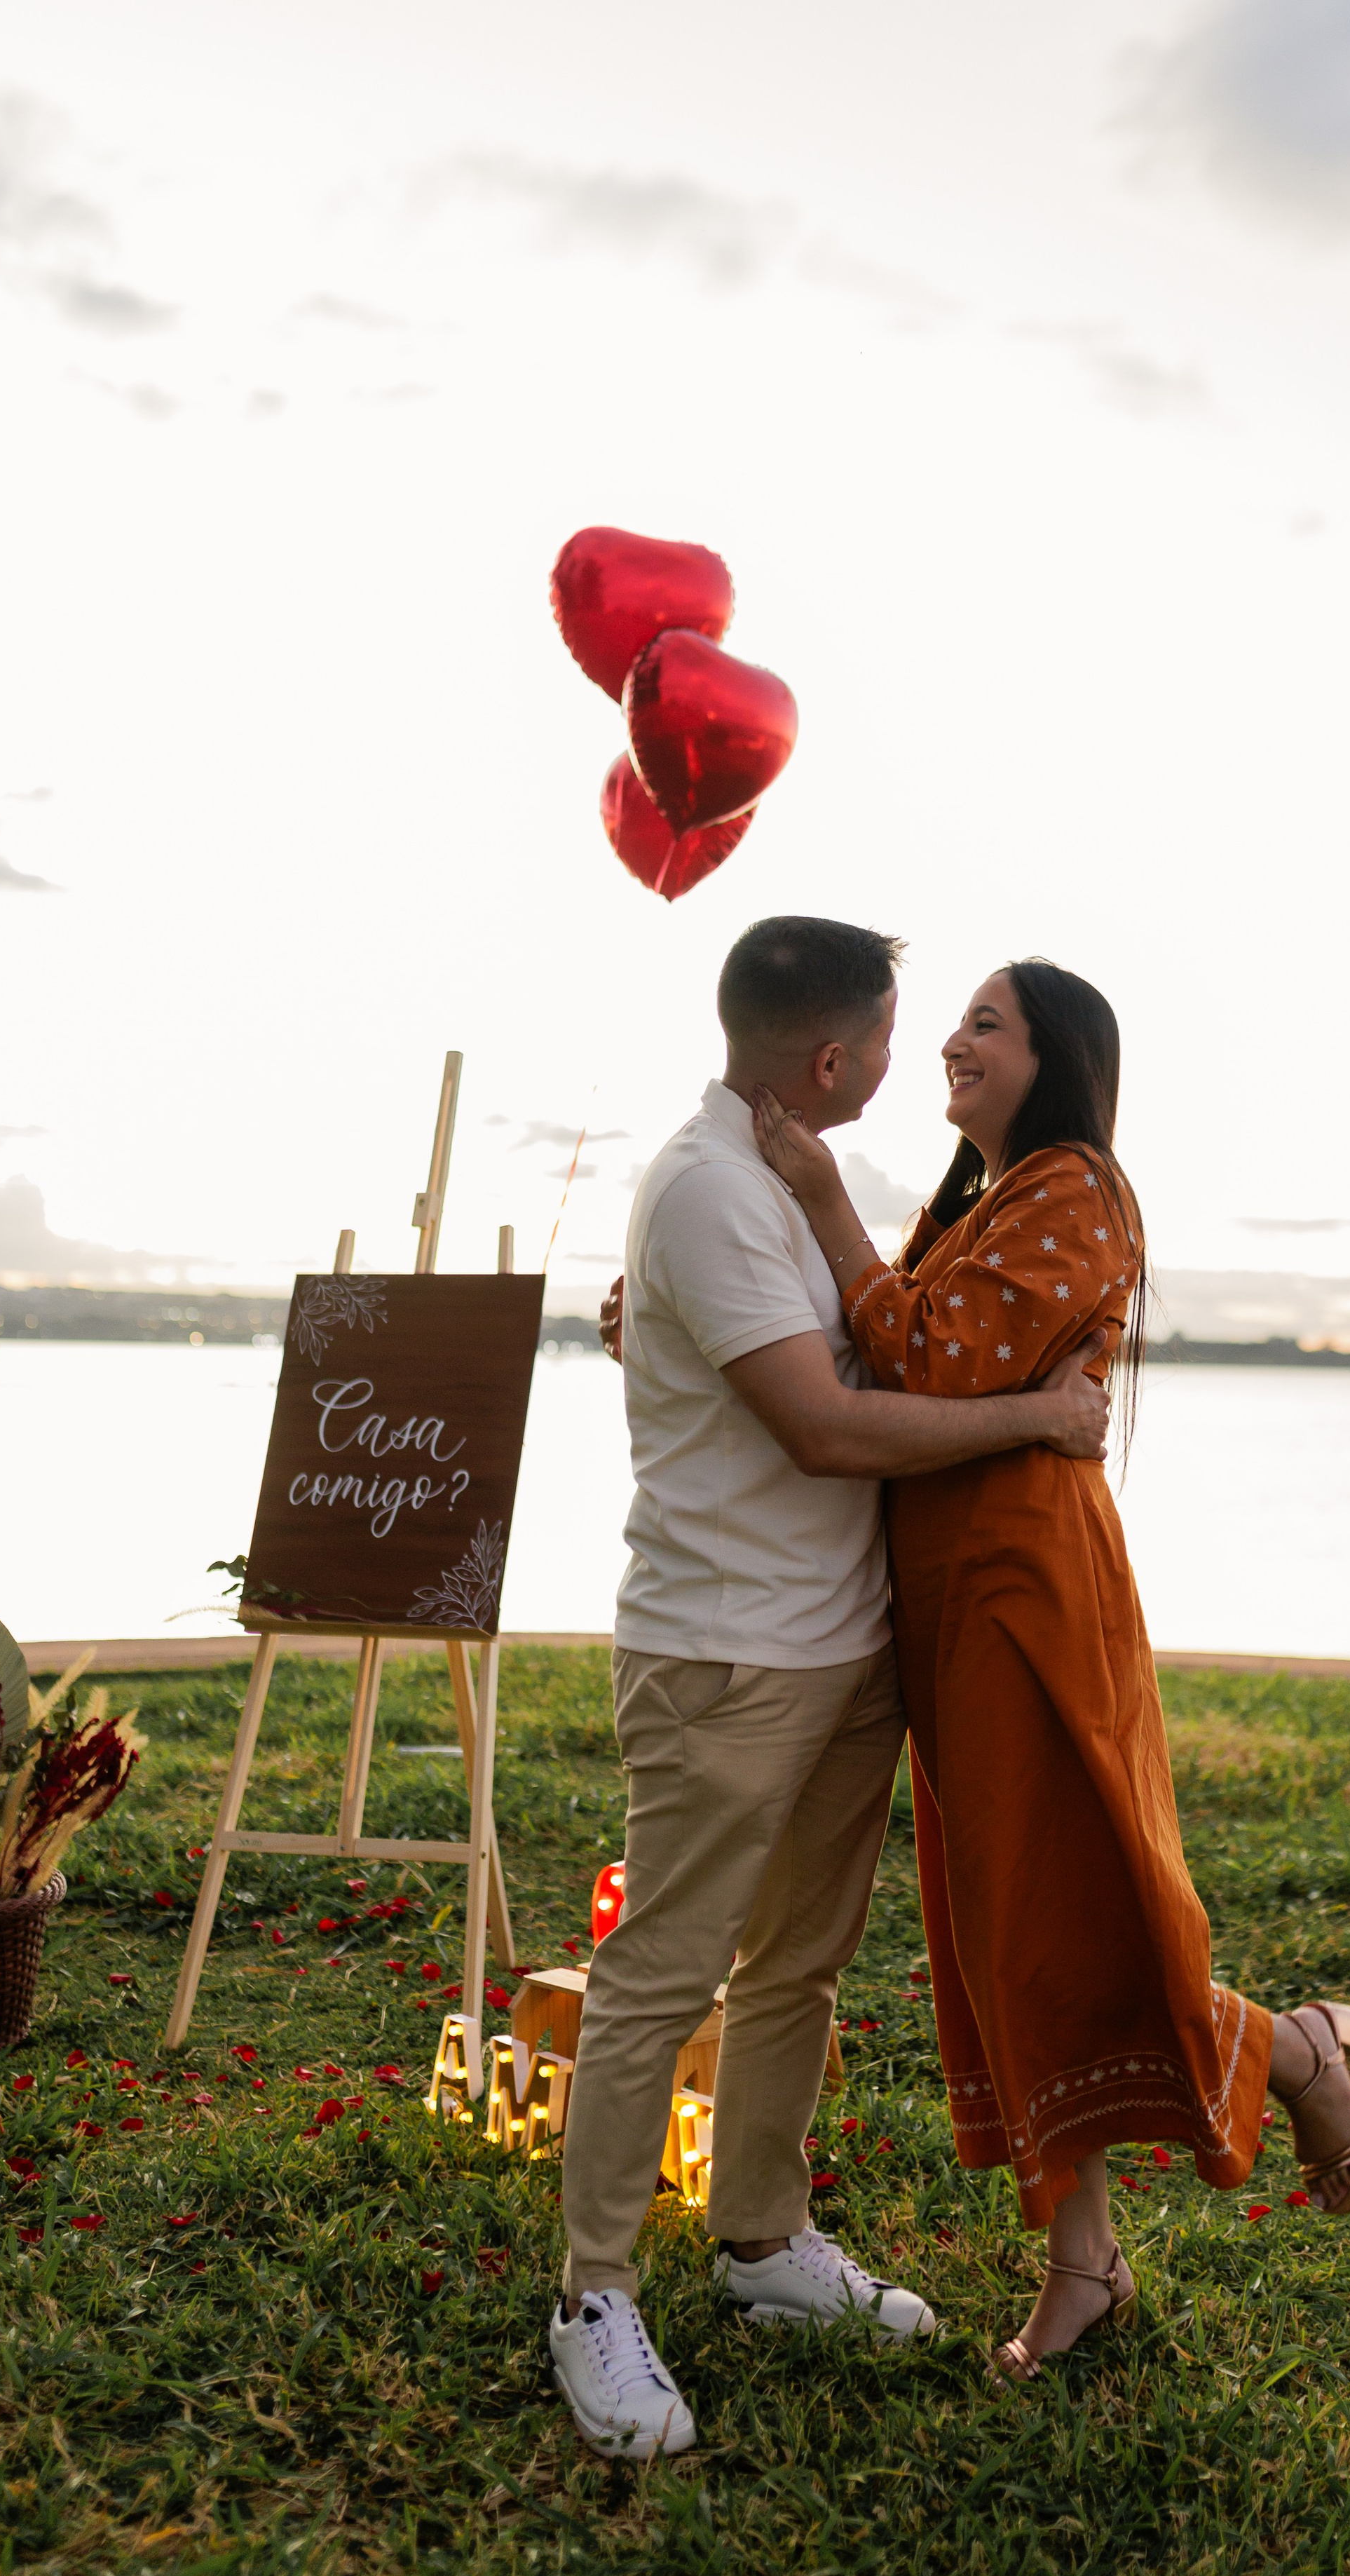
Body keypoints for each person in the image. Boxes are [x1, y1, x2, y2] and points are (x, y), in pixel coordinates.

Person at [752, 958, 1350, 2380]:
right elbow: (877, 1359)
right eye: (958, 1022)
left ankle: (1282, 2053)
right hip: (953, 1594)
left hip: (1026, 1593)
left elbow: (920, 1356)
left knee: (1063, 1912)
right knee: (1007, 1933)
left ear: (1056, 1057)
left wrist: (818, 1199)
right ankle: (1083, 2258)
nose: (952, 1045)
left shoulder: (1074, 1189)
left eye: (985, 1023)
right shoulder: (976, 1200)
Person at [550, 918, 1112, 2459]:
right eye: (889, 1030)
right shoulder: (716, 1187)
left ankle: (758, 2242)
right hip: (729, 1650)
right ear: (830, 1055)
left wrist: (647, 1331)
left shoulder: (801, 1178)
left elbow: (885, 1351)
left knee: (797, 1966)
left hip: (840, 1643)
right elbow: (824, 1426)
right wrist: (1033, 1424)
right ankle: (591, 2297)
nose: (907, 1050)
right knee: (662, 1974)